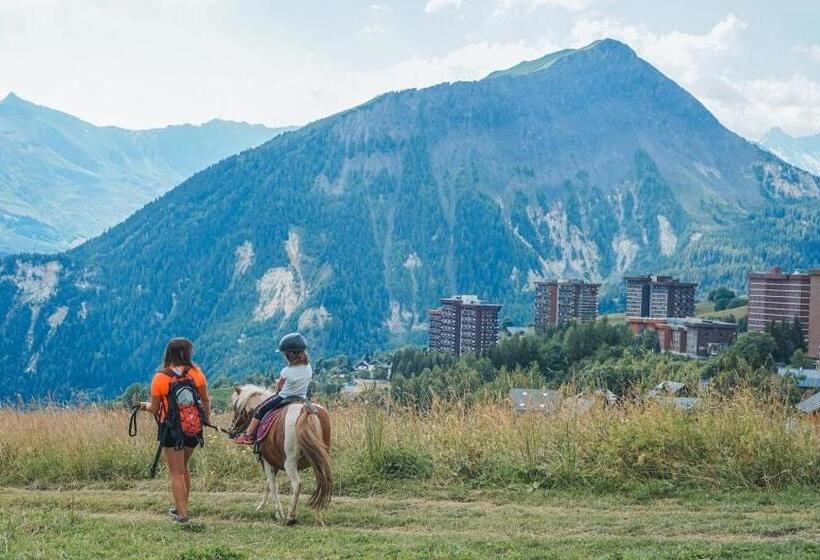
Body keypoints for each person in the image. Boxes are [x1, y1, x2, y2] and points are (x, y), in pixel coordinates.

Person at [138, 337, 210, 524]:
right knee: (183, 467)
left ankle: (183, 515)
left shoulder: (160, 378)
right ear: (187, 354)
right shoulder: (196, 374)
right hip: (193, 429)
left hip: (172, 431)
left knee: (176, 472)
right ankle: (181, 506)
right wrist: (206, 420)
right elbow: (205, 400)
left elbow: (154, 409)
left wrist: (143, 406)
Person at [234, 332, 312, 445]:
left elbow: (279, 386)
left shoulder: (286, 371)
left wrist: (278, 389)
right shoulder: (308, 367)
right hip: (302, 398)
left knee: (260, 409)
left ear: (288, 356)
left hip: (284, 398)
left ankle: (247, 435)